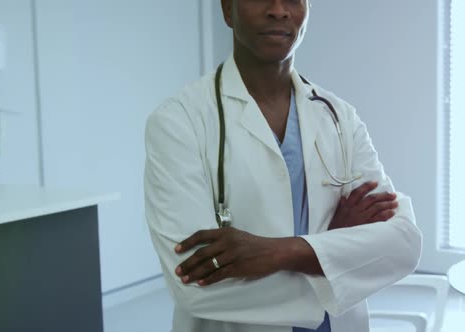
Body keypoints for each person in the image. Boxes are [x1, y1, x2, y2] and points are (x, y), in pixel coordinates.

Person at [143, 0, 422, 331]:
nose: (278, 10)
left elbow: (402, 243)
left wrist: (279, 253)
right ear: (227, 10)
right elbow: (195, 286)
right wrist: (335, 254)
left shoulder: (338, 116)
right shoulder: (179, 120)